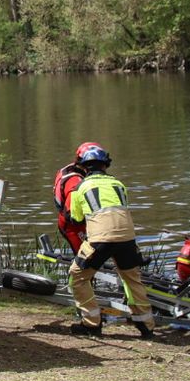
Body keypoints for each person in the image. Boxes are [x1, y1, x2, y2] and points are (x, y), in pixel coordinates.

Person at [65, 144, 156, 338]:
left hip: (99, 239)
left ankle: (92, 323)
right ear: (105, 165)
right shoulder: (118, 184)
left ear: (83, 167)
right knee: (132, 278)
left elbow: (76, 219)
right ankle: (146, 326)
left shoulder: (79, 188)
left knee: (77, 275)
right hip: (127, 238)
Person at [51, 144, 94, 251]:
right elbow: (71, 213)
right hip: (71, 225)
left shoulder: (69, 169)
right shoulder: (75, 181)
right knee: (85, 258)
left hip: (72, 220)